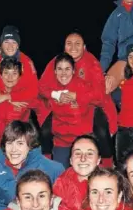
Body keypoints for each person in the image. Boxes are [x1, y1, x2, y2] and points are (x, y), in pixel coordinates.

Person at [39, 31, 118, 167]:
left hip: (91, 105)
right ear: (64, 46)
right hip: (60, 106)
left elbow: (99, 94)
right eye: (69, 44)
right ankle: (47, 163)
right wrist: (55, 94)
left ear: (84, 47)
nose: (73, 47)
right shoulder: (57, 61)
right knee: (45, 131)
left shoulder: (92, 63)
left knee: (101, 131)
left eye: (77, 44)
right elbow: (41, 86)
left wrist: (78, 96)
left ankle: (108, 164)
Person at [0, 120, 64, 210]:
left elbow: (62, 205)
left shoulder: (51, 168)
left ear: (30, 146)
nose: (13, 149)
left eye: (20, 143)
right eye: (9, 143)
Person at [0, 58, 37, 144]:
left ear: (20, 76)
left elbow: (37, 102)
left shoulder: (26, 94)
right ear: (0, 75)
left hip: (19, 143)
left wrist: (9, 97)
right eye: (6, 73)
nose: (10, 77)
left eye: (14, 73)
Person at [53, 135, 102, 210]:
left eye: (89, 154)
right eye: (78, 153)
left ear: (98, 160)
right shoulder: (61, 184)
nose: (83, 158)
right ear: (71, 160)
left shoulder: (109, 184)